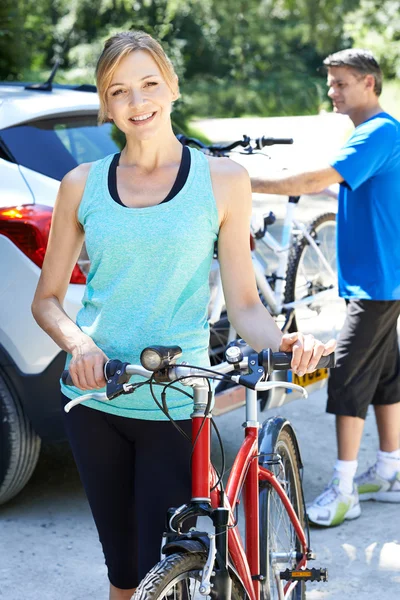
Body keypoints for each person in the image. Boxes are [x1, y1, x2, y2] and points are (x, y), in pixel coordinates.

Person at [32, 30, 335, 599]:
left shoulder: (223, 181)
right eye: (118, 90)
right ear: (105, 103)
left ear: (172, 87)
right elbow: (46, 300)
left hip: (176, 402)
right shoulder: (81, 185)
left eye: (149, 83)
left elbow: (245, 301)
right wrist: (80, 345)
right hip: (95, 399)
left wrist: (285, 341)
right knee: (124, 576)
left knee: (158, 565)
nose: (136, 101)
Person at [251, 48, 400, 527]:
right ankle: (390, 472)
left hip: (377, 281)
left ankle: (343, 490)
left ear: (368, 83)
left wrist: (238, 180)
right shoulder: (374, 133)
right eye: (330, 83)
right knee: (384, 376)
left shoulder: (378, 132)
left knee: (348, 378)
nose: (332, 91)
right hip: (382, 277)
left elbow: (318, 178)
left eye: (341, 83)